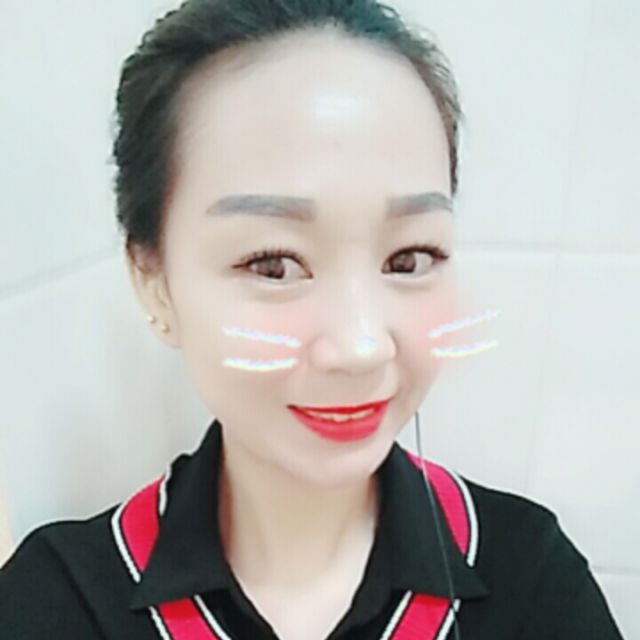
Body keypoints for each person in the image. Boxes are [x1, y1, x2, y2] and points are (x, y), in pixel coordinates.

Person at [0, 1, 625, 638]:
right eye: (273, 265)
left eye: (409, 258)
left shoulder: (529, 580)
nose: (361, 347)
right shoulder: (60, 601)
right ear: (154, 283)